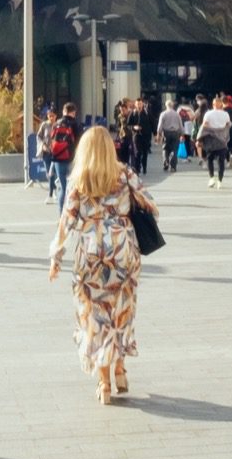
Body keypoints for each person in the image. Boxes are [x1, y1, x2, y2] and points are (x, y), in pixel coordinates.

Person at [46, 127, 154, 404]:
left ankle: (104, 383)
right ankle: (120, 370)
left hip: (91, 252)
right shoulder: (125, 173)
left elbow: (66, 221)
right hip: (123, 250)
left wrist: (56, 257)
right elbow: (150, 204)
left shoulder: (79, 177)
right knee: (121, 311)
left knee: (94, 317)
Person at [43, 102, 81, 202]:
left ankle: (61, 215)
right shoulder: (74, 124)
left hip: (57, 159)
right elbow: (79, 141)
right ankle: (71, 211)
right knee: (72, 188)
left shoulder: (56, 124)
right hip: (71, 158)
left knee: (63, 188)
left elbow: (52, 140)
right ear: (73, 112)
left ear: (64, 111)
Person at [198, 97, 232, 187]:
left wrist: (199, 138)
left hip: (210, 140)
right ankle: (220, 180)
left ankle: (211, 178)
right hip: (222, 140)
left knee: (210, 159)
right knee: (221, 161)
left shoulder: (208, 114)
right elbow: (228, 124)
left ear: (213, 104)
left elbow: (204, 126)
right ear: (221, 104)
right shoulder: (225, 114)